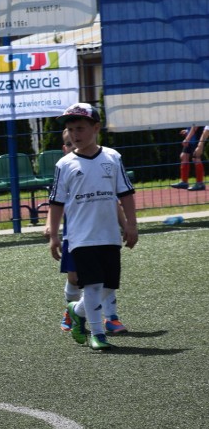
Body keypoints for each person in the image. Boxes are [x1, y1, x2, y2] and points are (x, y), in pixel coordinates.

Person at [47, 103, 138, 352]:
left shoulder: (112, 157)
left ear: (96, 128)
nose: (75, 134)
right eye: (70, 129)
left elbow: (126, 194)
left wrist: (131, 225)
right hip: (80, 237)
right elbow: (56, 202)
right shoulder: (64, 164)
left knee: (109, 287)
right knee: (94, 285)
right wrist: (53, 235)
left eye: (80, 128)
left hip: (109, 234)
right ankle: (97, 334)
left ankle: (76, 310)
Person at [171, 125, 208, 191]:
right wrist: (187, 131)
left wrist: (187, 138)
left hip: (197, 138)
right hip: (191, 138)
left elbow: (196, 125)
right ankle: (184, 182)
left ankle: (200, 183)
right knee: (183, 156)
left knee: (196, 158)